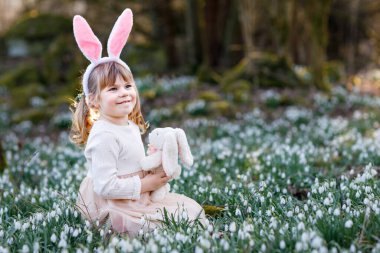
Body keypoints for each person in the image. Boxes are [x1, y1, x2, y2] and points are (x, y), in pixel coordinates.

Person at [70, 8, 205, 236]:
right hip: (113, 202)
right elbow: (105, 186)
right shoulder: (103, 135)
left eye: (128, 86)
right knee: (157, 226)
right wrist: (146, 185)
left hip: (135, 195)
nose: (124, 93)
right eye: (113, 89)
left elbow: (132, 163)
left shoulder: (130, 126)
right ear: (94, 100)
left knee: (190, 211)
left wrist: (154, 163)